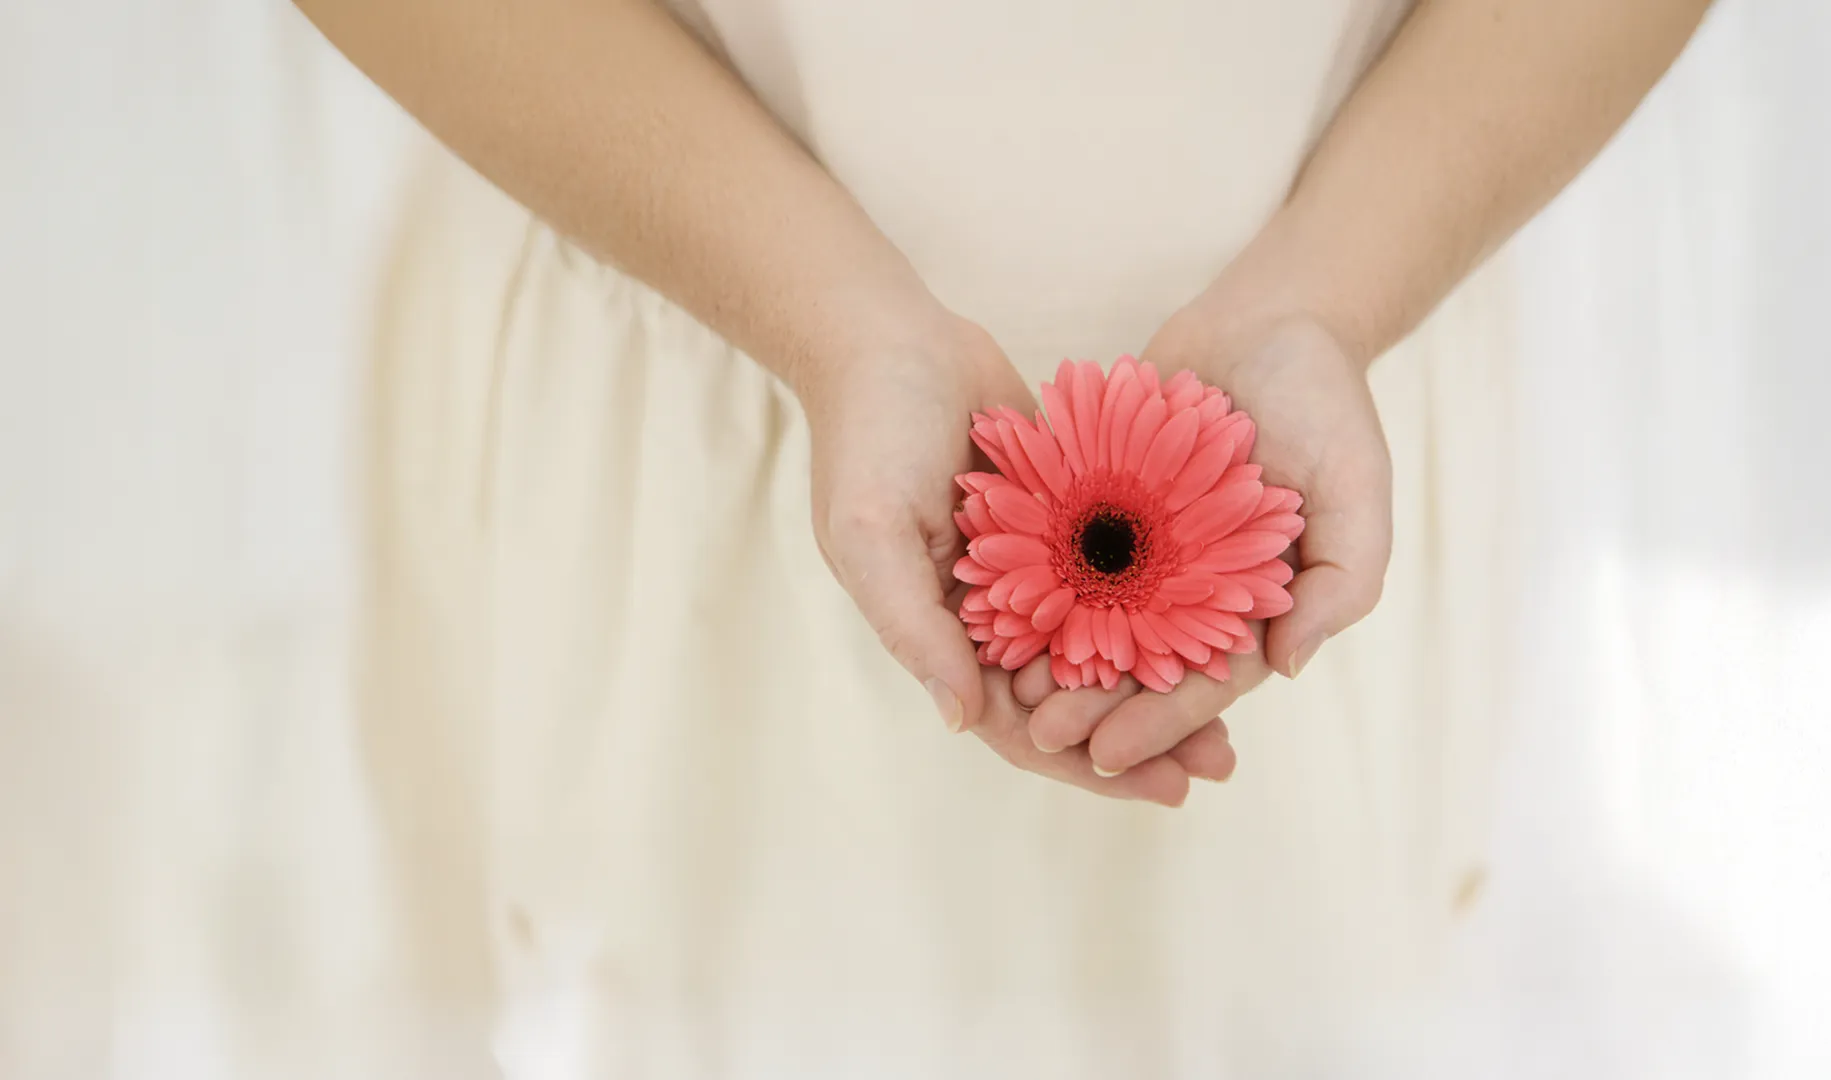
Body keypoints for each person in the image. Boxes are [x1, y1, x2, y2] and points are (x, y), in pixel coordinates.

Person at [298, 0, 1707, 1074]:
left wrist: (1330, 297)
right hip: (674, 332)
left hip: (1340, 329)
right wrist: (828, 318)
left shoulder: (1283, 446)